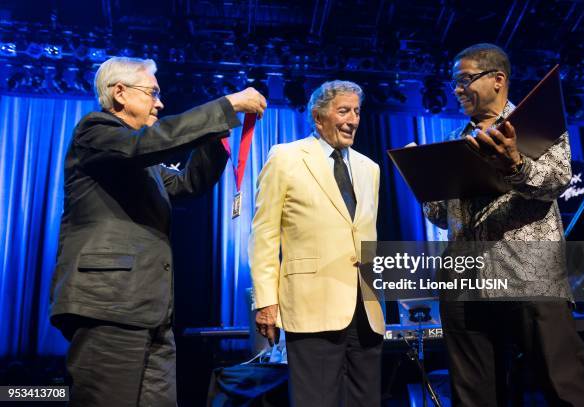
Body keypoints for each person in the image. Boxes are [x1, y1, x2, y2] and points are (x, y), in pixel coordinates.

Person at [49, 56, 266, 406]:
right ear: (120, 93)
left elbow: (187, 184)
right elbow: (148, 144)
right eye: (152, 93)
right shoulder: (95, 132)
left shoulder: (143, 161)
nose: (160, 103)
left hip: (152, 309)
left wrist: (217, 134)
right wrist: (224, 106)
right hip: (109, 306)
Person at [423, 43, 584, 406]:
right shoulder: (454, 141)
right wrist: (427, 188)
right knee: (473, 396)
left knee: (567, 387)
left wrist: (515, 165)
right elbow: (444, 217)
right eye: (454, 83)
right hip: (465, 281)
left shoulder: (538, 125)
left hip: (530, 275)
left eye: (464, 80)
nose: (457, 90)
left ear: (497, 80)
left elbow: (558, 181)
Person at [248, 80, 385, 407]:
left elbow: (365, 239)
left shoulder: (370, 169)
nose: (352, 119)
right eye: (343, 111)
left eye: (356, 111)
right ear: (318, 116)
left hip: (365, 309)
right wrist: (265, 301)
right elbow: (264, 234)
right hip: (311, 306)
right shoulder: (285, 157)